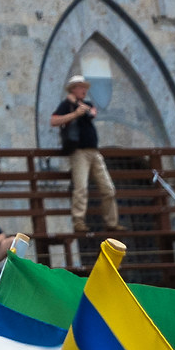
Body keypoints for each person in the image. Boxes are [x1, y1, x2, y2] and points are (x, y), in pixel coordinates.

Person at [48, 73, 119, 245]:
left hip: (94, 151)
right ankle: (78, 221)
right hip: (79, 152)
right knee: (81, 188)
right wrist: (74, 113)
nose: (84, 90)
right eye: (81, 87)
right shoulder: (66, 105)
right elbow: (54, 120)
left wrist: (81, 108)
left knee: (108, 189)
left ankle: (112, 223)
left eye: (85, 88)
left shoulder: (85, 104)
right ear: (74, 88)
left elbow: (92, 113)